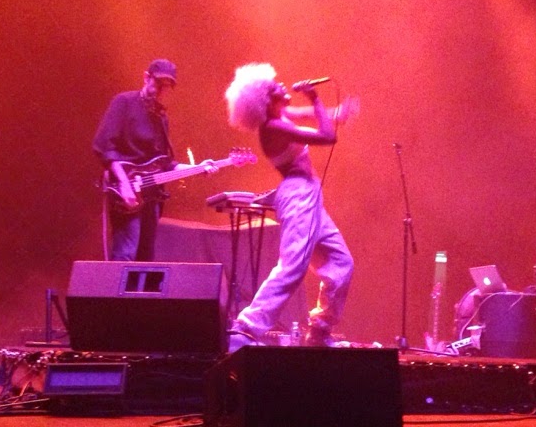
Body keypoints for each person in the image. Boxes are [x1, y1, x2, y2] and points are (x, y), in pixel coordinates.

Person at [224, 63, 356, 350]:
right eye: (275, 88)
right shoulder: (273, 127)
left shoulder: (280, 115)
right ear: (264, 101)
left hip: (309, 194)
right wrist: (316, 98)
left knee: (341, 262)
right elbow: (327, 136)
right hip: (297, 195)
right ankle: (246, 327)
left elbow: (306, 114)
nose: (282, 86)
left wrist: (335, 112)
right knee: (293, 265)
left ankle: (320, 329)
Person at [93, 58, 215, 261]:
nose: (160, 90)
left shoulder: (160, 118)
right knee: (126, 252)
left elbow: (165, 163)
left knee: (145, 256)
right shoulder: (124, 102)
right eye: (158, 83)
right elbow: (104, 145)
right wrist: (124, 184)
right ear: (146, 77)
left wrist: (197, 168)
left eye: (166, 86)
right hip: (126, 188)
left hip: (151, 196)